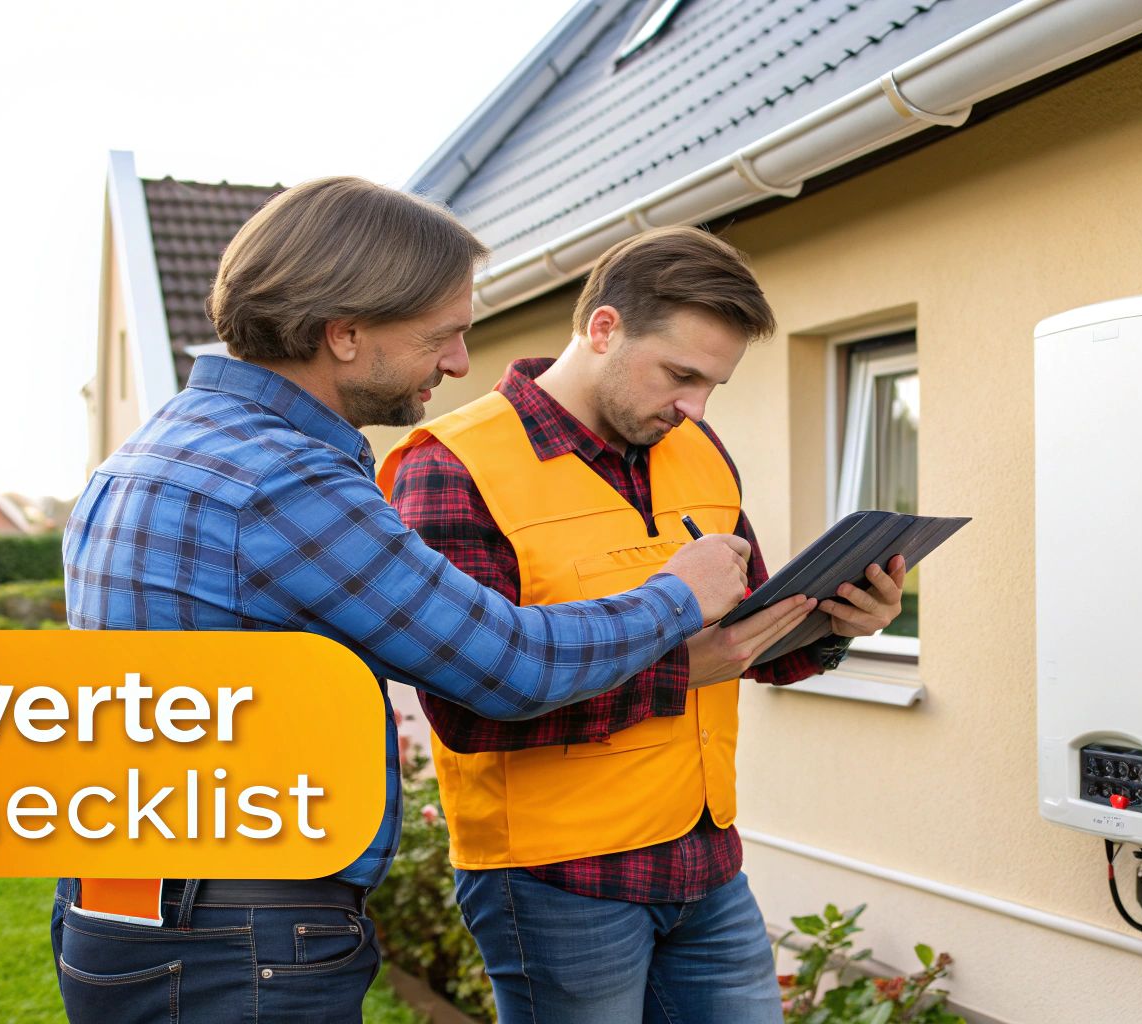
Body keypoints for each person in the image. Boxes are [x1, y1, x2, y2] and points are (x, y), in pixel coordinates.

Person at [51, 179, 753, 1024]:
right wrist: (677, 595)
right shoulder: (287, 480)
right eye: (442, 335)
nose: (457, 363)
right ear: (344, 334)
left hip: (121, 906)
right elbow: (507, 666)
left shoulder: (152, 449)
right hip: (238, 931)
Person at [378, 226, 909, 1023]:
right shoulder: (452, 465)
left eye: (712, 388)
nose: (693, 407)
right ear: (603, 329)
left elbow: (744, 636)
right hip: (555, 881)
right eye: (681, 375)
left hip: (705, 862)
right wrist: (678, 672)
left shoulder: (695, 449)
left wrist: (837, 621)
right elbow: (466, 708)